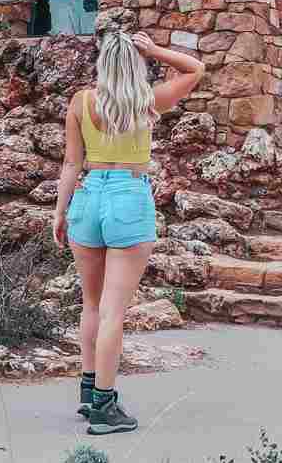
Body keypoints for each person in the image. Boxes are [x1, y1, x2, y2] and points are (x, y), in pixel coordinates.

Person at [53, 28, 204, 435]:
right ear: (135, 65)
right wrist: (155, 49)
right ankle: (104, 407)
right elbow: (196, 69)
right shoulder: (147, 101)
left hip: (87, 196)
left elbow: (70, 164)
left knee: (91, 304)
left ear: (102, 64)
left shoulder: (81, 102)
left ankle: (88, 391)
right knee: (114, 313)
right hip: (128, 198)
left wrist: (59, 211)